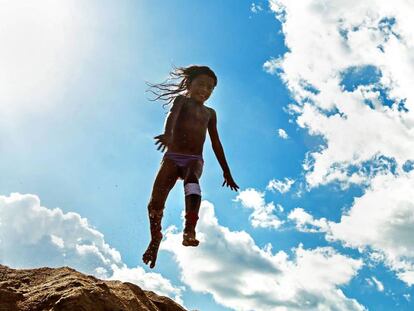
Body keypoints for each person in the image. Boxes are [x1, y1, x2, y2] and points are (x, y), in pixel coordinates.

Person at [143, 65, 239, 269]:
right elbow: (171, 115)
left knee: (192, 181)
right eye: (201, 85)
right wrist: (168, 133)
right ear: (189, 84)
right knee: (154, 204)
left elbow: (216, 143)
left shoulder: (210, 113)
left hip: (193, 159)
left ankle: (189, 229)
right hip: (172, 157)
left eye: (210, 88)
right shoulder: (182, 101)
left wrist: (227, 171)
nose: (205, 90)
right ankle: (155, 237)